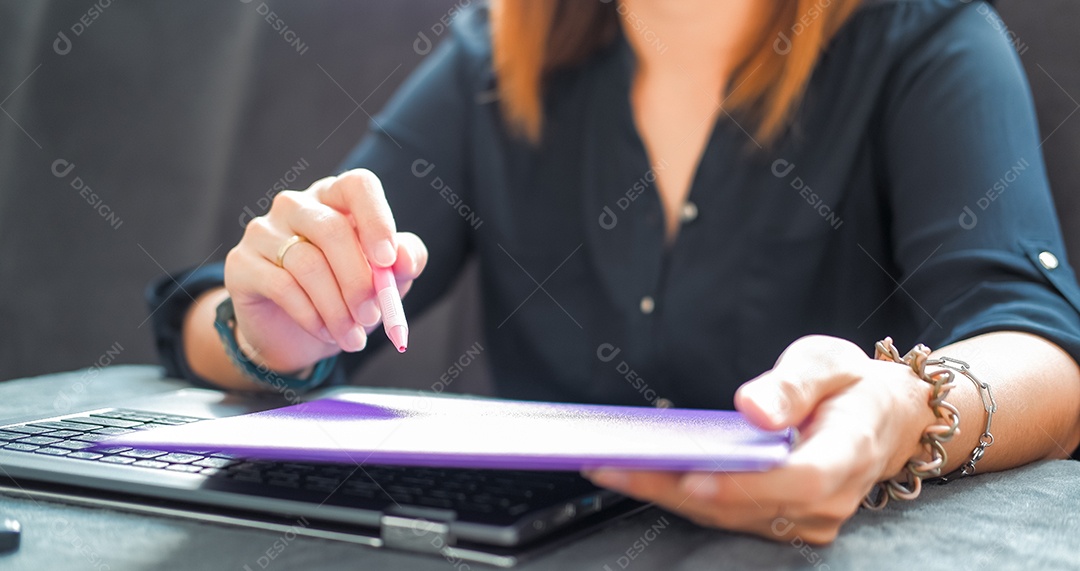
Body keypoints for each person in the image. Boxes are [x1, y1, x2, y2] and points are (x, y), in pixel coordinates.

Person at [150, 0, 1080, 543]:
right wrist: (264, 325)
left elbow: (1043, 351)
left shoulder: (922, 36)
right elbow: (248, 311)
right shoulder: (492, 54)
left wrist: (905, 409)